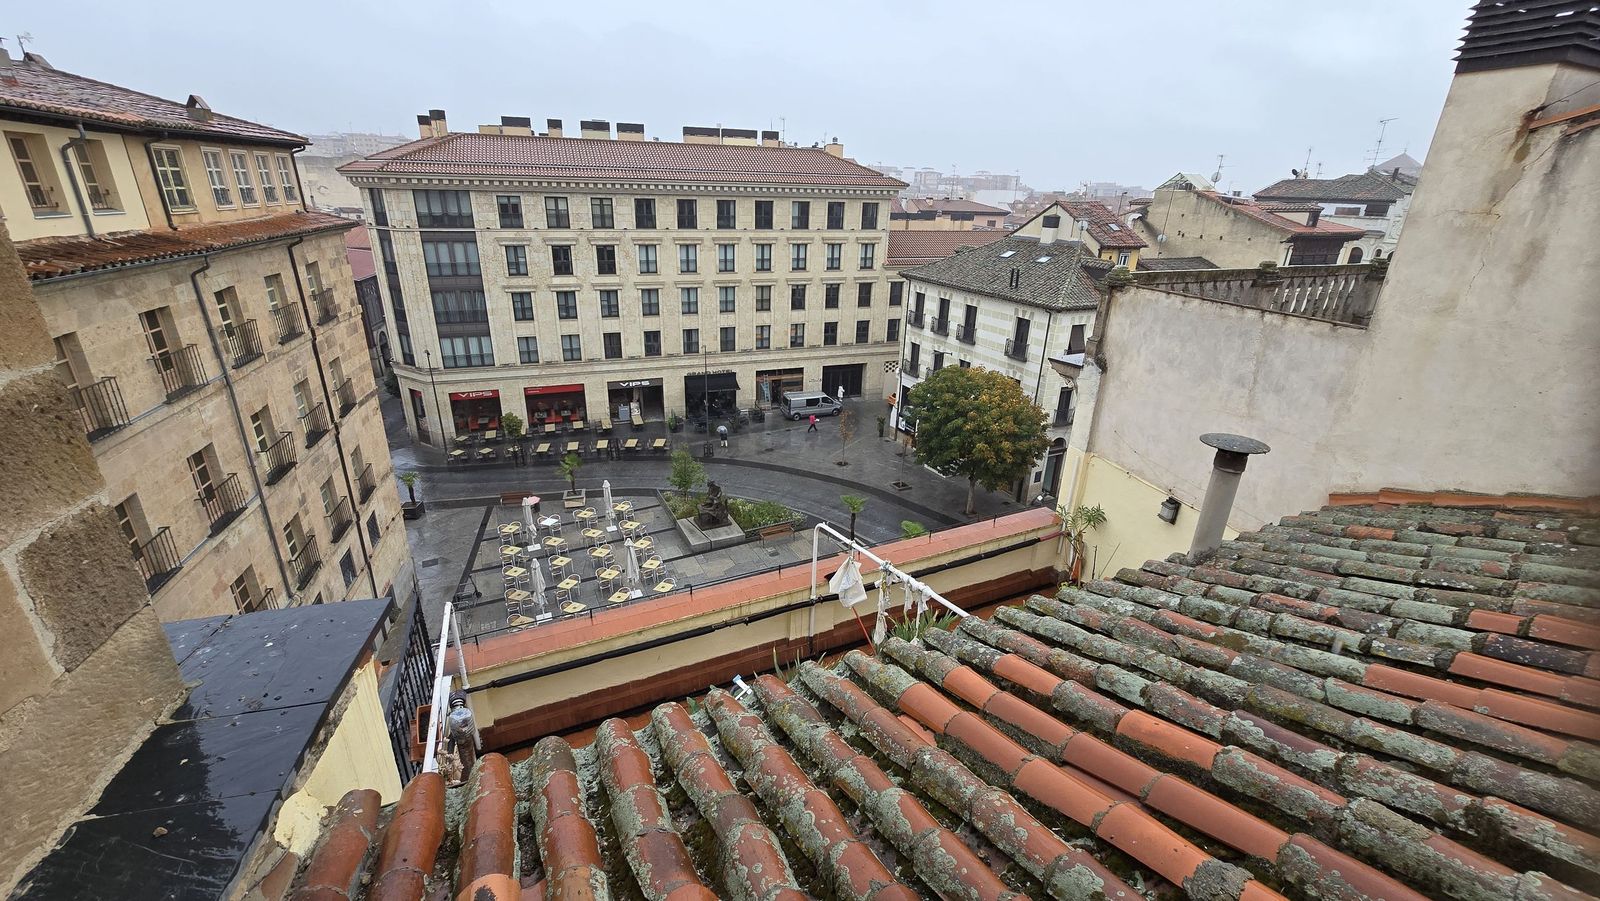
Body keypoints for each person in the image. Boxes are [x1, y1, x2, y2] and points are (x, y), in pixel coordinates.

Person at [443, 692, 478, 779]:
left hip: (461, 740)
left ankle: (469, 775)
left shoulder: (453, 717)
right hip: (465, 740)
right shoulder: (466, 713)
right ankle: (470, 775)